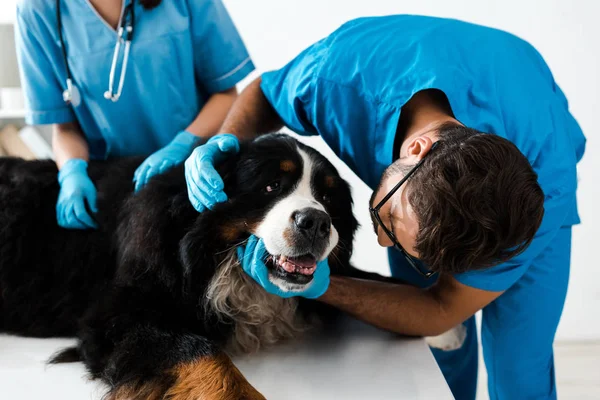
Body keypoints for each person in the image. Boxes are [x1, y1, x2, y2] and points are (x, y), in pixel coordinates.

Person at [184, 15, 586, 400]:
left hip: (542, 156)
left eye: (391, 225)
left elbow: (442, 309)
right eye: (390, 221)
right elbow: (267, 93)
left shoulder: (534, 197)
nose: (379, 239)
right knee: (440, 353)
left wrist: (320, 286)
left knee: (521, 369)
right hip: (407, 63)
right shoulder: (340, 76)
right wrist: (224, 148)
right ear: (417, 149)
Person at [15, 0, 254, 229]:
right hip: (114, 191)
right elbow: (65, 128)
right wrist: (71, 172)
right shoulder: (37, 9)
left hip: (194, 179)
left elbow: (226, 95)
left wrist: (183, 144)